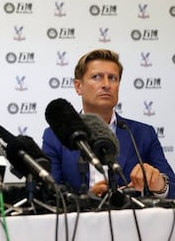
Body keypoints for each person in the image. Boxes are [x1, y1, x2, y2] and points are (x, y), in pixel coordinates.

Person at [42, 49, 175, 200]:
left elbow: (172, 188)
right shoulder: (54, 136)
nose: (106, 85)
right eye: (96, 77)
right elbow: (49, 193)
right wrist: (87, 198)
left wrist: (159, 185)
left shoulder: (142, 133)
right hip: (79, 221)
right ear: (78, 86)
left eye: (113, 78)